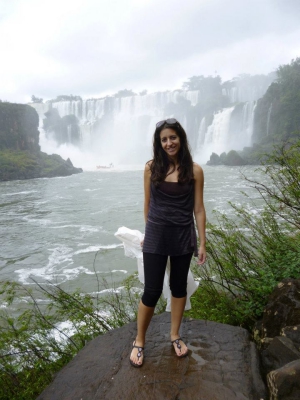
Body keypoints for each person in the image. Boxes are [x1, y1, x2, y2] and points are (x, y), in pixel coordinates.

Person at [130, 118, 206, 367]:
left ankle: (175, 335)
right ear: (158, 143)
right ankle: (139, 340)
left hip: (183, 235)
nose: (169, 143)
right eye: (164, 139)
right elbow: (147, 203)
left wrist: (202, 243)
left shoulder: (194, 170)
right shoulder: (151, 168)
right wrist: (149, 231)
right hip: (156, 235)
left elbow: (199, 209)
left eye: (172, 137)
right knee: (151, 290)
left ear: (181, 138)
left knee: (178, 286)